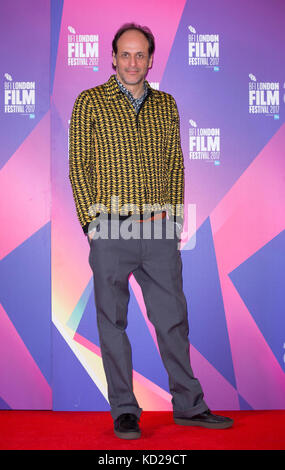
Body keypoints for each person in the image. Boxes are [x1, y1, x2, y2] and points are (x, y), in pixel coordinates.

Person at [69, 22, 233, 440]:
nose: (132, 62)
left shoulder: (166, 105)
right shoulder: (89, 103)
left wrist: (174, 220)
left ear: (151, 59)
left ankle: (189, 406)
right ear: (112, 57)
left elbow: (176, 165)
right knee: (112, 323)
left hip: (159, 230)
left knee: (173, 320)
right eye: (125, 54)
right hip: (110, 230)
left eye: (140, 54)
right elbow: (78, 166)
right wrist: (92, 225)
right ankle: (125, 410)